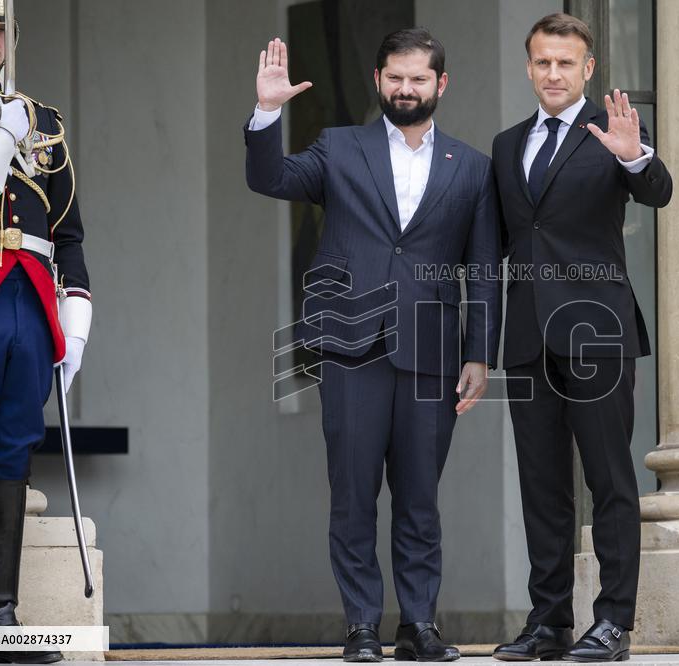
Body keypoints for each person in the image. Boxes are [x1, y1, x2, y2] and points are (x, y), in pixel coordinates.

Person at [245, 28, 501, 662]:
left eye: (418, 79)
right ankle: (361, 625)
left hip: (432, 354)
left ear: (441, 84)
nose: (405, 89)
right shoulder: (339, 147)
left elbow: (485, 270)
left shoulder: (472, 168)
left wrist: (479, 353)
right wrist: (267, 112)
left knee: (420, 498)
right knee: (354, 494)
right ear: (378, 80)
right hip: (351, 350)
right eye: (395, 78)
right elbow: (269, 177)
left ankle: (419, 626)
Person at [490, 13, 671, 663]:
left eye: (567, 63)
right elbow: (502, 247)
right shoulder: (507, 145)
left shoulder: (615, 132)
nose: (554, 73)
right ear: (530, 66)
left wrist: (635, 156)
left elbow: (658, 189)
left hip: (597, 332)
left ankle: (613, 623)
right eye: (543, 62)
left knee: (610, 480)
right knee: (542, 486)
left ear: (588, 69)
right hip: (528, 338)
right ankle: (549, 621)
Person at [0, 0, 91, 663]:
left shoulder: (46, 122)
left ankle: (0, 618)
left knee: (13, 449)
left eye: (0, 28)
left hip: (29, 298)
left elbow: (69, 233)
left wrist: (77, 321)